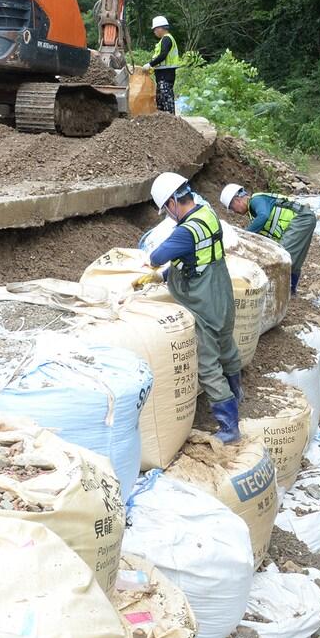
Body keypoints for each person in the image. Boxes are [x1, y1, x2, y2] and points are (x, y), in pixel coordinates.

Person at [136, 172, 242, 442]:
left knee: (207, 364)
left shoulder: (186, 230)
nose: (167, 215)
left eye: (166, 210)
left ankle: (230, 427)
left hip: (202, 302)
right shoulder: (207, 216)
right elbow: (197, 258)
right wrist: (163, 277)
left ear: (172, 202)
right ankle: (236, 396)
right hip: (221, 293)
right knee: (227, 347)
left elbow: (157, 256)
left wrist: (155, 268)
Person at [219, 183, 318, 295]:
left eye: (232, 208)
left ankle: (280, 292)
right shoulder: (254, 213)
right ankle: (291, 291)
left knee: (283, 255)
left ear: (237, 200)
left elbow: (264, 216)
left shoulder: (256, 200)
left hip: (301, 218)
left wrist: (243, 236)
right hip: (302, 220)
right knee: (293, 256)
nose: (234, 212)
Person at [142, 15, 180, 114]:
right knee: (160, 102)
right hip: (163, 75)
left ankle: (171, 123)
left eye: (155, 29)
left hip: (166, 76)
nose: (154, 32)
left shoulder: (166, 39)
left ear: (160, 28)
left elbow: (163, 55)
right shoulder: (164, 40)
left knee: (166, 102)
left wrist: (150, 64)